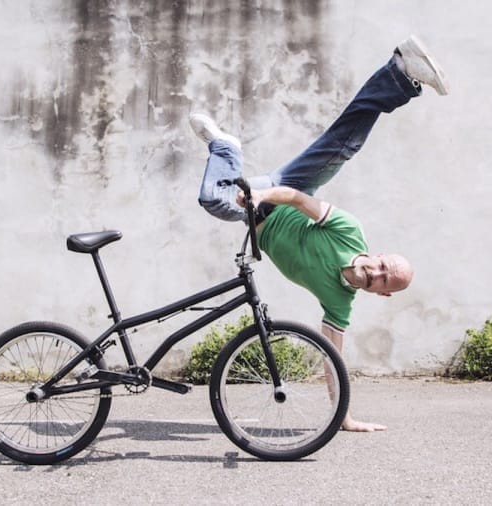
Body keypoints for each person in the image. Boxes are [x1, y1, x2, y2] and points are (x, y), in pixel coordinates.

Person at [189, 35, 448, 432]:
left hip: (258, 220)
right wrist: (259, 194)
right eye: (381, 264)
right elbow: (294, 196)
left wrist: (343, 417)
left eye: (382, 278)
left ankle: (225, 149)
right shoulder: (349, 232)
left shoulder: (339, 302)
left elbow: (333, 358)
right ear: (378, 254)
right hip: (283, 191)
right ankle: (401, 70)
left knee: (215, 200)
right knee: (342, 144)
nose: (374, 270)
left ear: (381, 292)